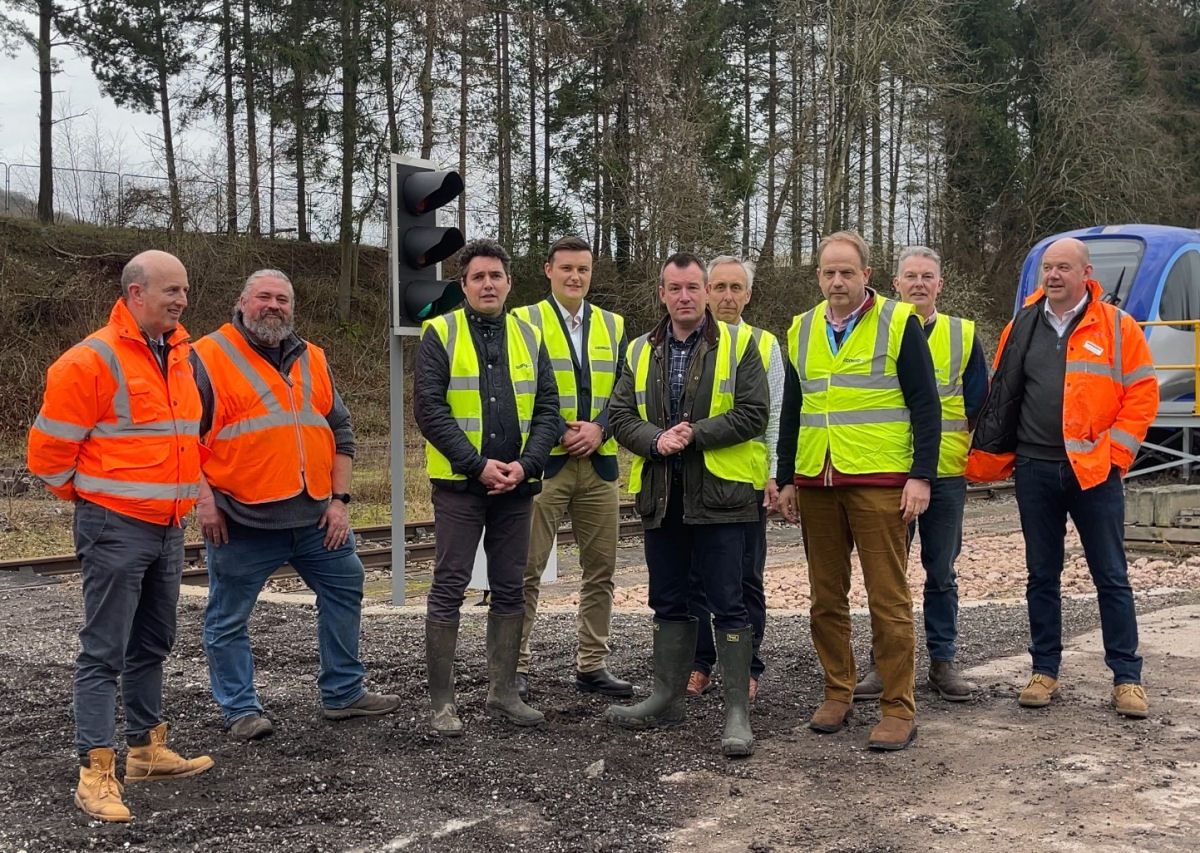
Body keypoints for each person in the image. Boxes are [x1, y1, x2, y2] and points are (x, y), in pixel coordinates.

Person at [27, 250, 213, 823]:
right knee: (104, 651)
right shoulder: (90, 361)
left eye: (184, 291)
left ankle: (145, 749)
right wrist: (95, 502)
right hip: (115, 526)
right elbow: (48, 456)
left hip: (166, 527)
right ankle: (95, 772)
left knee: (152, 642)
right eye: (171, 292)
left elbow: (185, 436)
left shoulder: (180, 354)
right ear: (136, 294)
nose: (182, 301)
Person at [192, 269, 400, 741]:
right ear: (242, 302)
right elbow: (182, 439)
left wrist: (340, 501)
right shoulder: (207, 356)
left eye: (283, 299)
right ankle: (241, 709)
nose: (274, 306)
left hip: (313, 517)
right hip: (241, 518)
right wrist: (204, 501)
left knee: (346, 585)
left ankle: (344, 693)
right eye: (264, 297)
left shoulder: (313, 359)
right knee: (227, 618)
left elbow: (341, 431)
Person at [968, 236, 1158, 718]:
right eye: (1047, 268)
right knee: (1041, 575)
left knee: (1111, 576)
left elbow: (1142, 394)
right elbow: (1004, 390)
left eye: (1063, 268)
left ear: (1085, 273)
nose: (1053, 276)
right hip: (1034, 468)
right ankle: (1044, 670)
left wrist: (1115, 455)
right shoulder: (1022, 325)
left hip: (1094, 471)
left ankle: (1127, 678)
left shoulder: (1118, 327)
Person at [776, 230, 941, 751]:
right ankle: (837, 690)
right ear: (818, 276)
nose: (838, 281)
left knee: (888, 600)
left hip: (880, 482)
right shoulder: (800, 329)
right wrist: (785, 478)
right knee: (826, 598)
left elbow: (926, 404)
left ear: (866, 275)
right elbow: (792, 411)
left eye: (848, 272)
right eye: (829, 272)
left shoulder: (898, 321)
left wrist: (922, 475)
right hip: (817, 481)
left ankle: (897, 707)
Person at [606, 251, 768, 757]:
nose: (684, 297)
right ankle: (667, 697)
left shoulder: (741, 344)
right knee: (669, 599)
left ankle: (737, 711)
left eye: (693, 288)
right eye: (674, 288)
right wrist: (655, 440)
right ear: (661, 292)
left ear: (705, 291)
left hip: (722, 497)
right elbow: (618, 413)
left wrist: (693, 434)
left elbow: (754, 413)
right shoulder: (638, 350)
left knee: (728, 600)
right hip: (663, 496)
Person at [413, 238, 560, 736]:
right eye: (478, 277)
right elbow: (430, 410)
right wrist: (477, 465)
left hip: (516, 487)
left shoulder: (530, 336)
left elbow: (547, 410)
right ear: (464, 285)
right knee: (450, 586)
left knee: (510, 585)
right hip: (460, 485)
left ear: (509, 282)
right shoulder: (439, 333)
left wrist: (526, 464)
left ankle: (502, 693)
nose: (488, 284)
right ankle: (442, 704)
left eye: (495, 275)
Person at [852, 246, 989, 703]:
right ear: (894, 283)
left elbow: (976, 405)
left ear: (939, 285)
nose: (918, 284)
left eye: (927, 276)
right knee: (885, 574)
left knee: (941, 571)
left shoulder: (962, 335)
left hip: (945, 473)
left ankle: (942, 662)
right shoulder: (875, 328)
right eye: (909, 276)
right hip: (890, 470)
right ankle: (883, 663)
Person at [511, 236, 632, 699]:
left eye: (583, 269)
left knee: (600, 569)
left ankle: (592, 664)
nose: (575, 277)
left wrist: (601, 428)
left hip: (599, 464)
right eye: (566, 269)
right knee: (526, 570)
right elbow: (519, 386)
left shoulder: (614, 324)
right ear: (548, 270)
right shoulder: (524, 320)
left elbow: (625, 388)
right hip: (545, 463)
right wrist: (558, 430)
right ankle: (515, 666)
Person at [685, 255, 782, 702]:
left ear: (748, 294)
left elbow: (775, 414)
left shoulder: (763, 344)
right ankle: (699, 663)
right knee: (694, 578)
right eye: (718, 287)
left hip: (743, 483)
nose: (726, 297)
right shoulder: (687, 341)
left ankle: (747, 665)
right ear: (706, 291)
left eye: (735, 288)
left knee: (745, 578)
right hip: (692, 479)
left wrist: (774, 475)